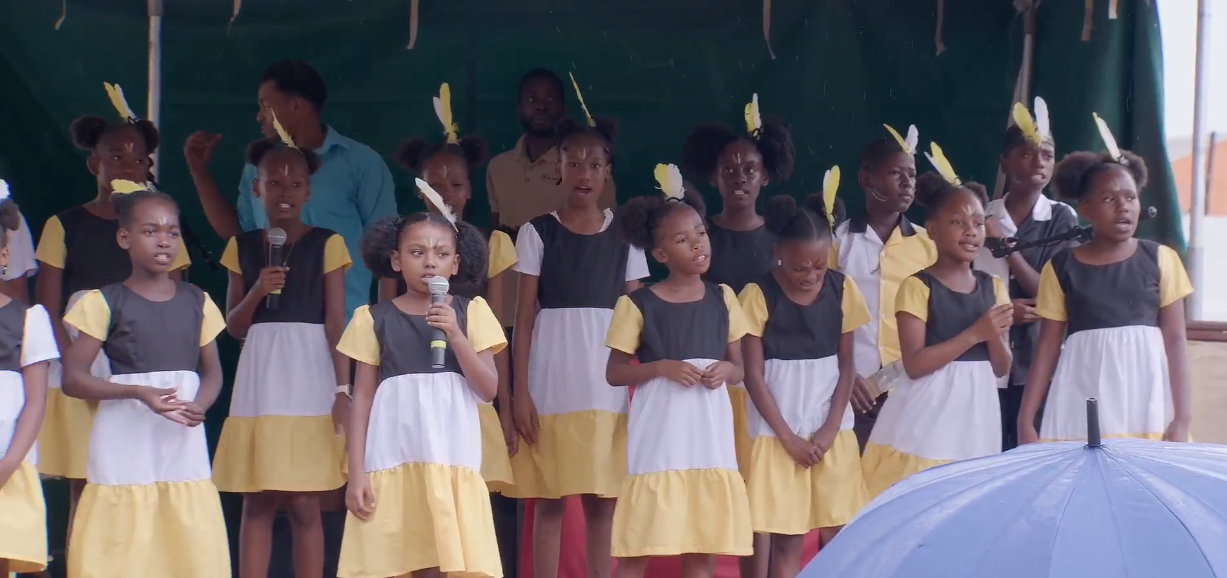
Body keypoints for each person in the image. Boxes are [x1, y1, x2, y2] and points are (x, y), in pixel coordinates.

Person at [60, 182, 229, 577]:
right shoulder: (103, 302)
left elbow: (213, 371)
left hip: (180, 440)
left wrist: (200, 403)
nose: (163, 241)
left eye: (172, 232)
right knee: (122, 545)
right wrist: (137, 391)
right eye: (150, 231)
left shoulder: (198, 301)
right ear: (125, 238)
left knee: (182, 542)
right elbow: (72, 378)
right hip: (124, 440)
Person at [35, 112, 191, 526]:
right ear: (95, 163)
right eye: (116, 156)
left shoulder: (163, 230)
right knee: (86, 483)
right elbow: (47, 308)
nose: (128, 166)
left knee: (143, 480)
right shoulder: (64, 225)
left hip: (142, 366)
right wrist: (76, 367)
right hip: (80, 363)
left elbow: (174, 302)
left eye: (138, 159)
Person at [509, 117, 648, 578]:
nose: (583, 173)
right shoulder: (537, 232)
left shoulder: (626, 234)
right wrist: (520, 393)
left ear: (608, 171)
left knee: (602, 503)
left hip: (607, 387)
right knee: (549, 500)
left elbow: (638, 316)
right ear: (559, 168)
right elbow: (524, 318)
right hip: (551, 385)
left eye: (594, 164)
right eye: (573, 163)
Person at [391, 86, 521, 574]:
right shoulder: (402, 247)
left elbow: (497, 333)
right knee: (421, 507)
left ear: (471, 190)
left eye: (457, 184)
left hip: (470, 392)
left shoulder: (493, 243)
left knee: (469, 504)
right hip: (415, 395)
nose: (446, 192)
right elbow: (384, 321)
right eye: (434, 184)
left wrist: (506, 407)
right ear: (418, 188)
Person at [210, 137, 350, 578]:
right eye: (274, 182)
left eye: (295, 184)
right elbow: (234, 326)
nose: (285, 192)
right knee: (257, 498)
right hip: (262, 379)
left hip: (310, 375)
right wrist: (257, 289)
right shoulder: (241, 247)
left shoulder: (328, 243)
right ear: (256, 188)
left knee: (306, 500)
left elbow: (335, 322)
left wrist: (343, 388)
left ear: (309, 191)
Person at [337, 211, 504, 578]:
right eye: (417, 252)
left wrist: (455, 335)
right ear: (396, 260)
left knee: (445, 556)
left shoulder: (472, 313)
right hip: (394, 455)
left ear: (455, 264)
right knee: (401, 556)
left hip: (449, 453)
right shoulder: (373, 319)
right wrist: (357, 473)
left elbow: (488, 389)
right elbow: (362, 399)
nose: (430, 261)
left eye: (441, 253)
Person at [605, 171, 752, 578]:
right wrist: (660, 368)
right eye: (683, 240)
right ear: (660, 254)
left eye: (700, 233)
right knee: (638, 548)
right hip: (660, 438)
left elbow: (740, 368)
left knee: (702, 548)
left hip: (709, 438)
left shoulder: (724, 297)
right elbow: (615, 372)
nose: (698, 244)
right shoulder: (638, 304)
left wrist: (727, 370)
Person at [185, 59, 397, 321]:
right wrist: (199, 172)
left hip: (343, 326)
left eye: (266, 105)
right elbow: (240, 234)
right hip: (269, 322)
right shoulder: (257, 167)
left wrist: (387, 325)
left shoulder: (361, 163)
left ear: (295, 105)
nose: (259, 116)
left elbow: (385, 250)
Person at [681, 93, 795, 578]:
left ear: (765, 176)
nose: (740, 177)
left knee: (760, 489)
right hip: (716, 378)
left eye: (750, 169)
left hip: (770, 378)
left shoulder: (781, 238)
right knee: (717, 482)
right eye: (729, 169)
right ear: (713, 176)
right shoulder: (698, 237)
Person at [1017, 130, 1192, 445]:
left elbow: (1176, 340)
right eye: (1109, 199)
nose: (1123, 207)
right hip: (1080, 397)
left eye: (1131, 197)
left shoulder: (1161, 259)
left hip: (1147, 402)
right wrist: (1026, 419)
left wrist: (1182, 417)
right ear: (1086, 210)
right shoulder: (1061, 268)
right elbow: (1047, 347)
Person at [861, 156, 1013, 499]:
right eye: (958, 222)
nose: (971, 231)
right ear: (932, 230)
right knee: (921, 492)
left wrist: (992, 336)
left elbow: (1002, 366)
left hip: (976, 411)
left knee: (966, 497)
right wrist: (975, 333)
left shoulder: (993, 287)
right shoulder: (917, 287)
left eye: (978, 223)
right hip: (928, 409)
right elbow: (914, 364)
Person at [739, 190, 870, 577]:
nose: (811, 275)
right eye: (799, 267)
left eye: (819, 265)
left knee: (839, 530)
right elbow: (753, 375)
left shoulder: (843, 289)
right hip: (778, 433)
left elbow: (847, 364)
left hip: (831, 430)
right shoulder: (757, 295)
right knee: (787, 538)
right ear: (778, 251)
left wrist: (830, 428)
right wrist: (788, 438)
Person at [973, 98, 1079, 450]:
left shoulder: (1062, 218)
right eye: (1028, 153)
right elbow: (964, 289)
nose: (1039, 162)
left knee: (1033, 452)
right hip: (985, 360)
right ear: (1005, 162)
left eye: (1047, 155)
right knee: (987, 453)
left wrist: (1004, 244)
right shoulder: (979, 216)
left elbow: (1049, 292)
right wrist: (1005, 314)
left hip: (1037, 365)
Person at [486, 68, 618, 335]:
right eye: (531, 99)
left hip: (565, 310)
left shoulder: (587, 171)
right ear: (518, 108)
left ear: (564, 108)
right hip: (507, 305)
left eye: (550, 98)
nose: (541, 106)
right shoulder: (498, 167)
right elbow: (496, 232)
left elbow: (604, 240)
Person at [832, 126, 937, 452]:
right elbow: (824, 316)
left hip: (913, 389)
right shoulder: (838, 243)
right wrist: (846, 376)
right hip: (855, 390)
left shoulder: (928, 245)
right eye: (895, 173)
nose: (907, 183)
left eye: (912, 174)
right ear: (867, 180)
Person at [0, 222, 59, 577]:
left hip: (9, 465)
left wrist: (7, 466)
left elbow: (36, 402)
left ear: (3, 255)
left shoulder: (28, 320)